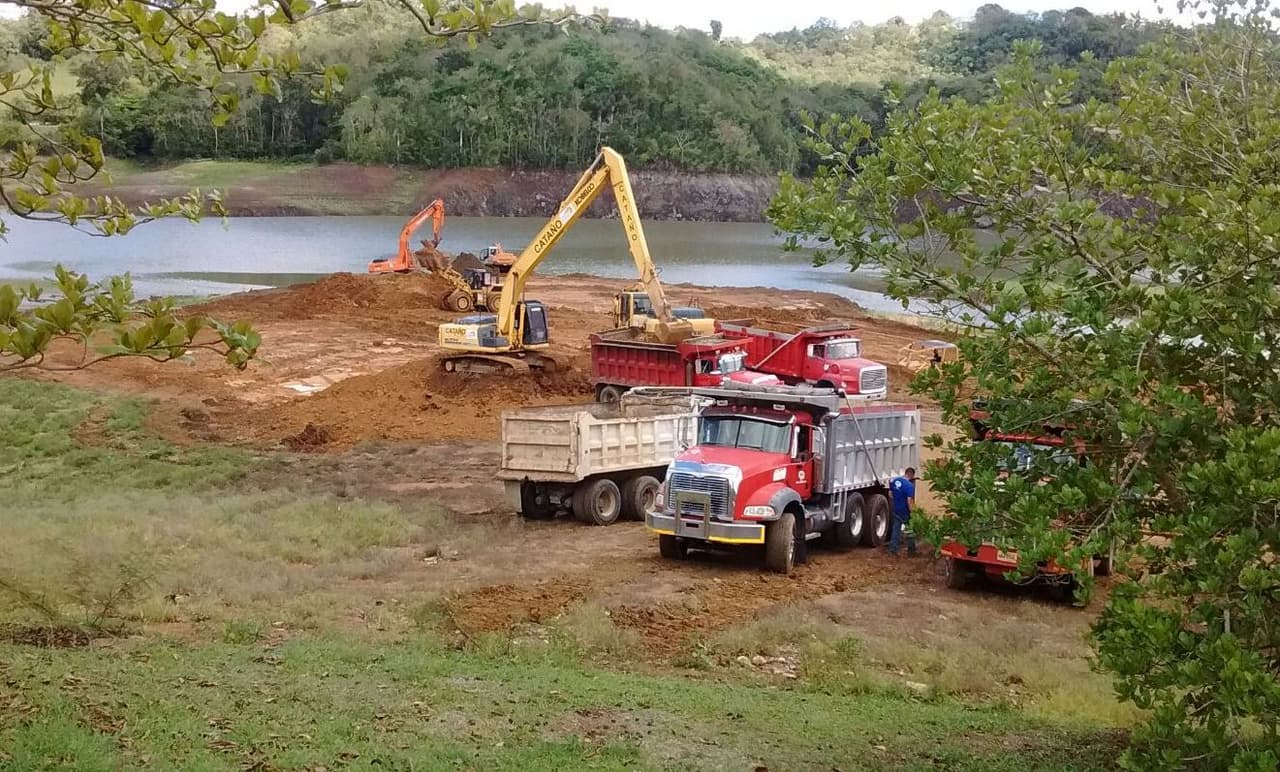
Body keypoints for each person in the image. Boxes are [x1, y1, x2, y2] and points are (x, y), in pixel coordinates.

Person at [887, 467, 918, 556]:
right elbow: (909, 501)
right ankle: (911, 551)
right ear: (911, 475)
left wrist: (897, 501)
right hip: (905, 511)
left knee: (896, 529)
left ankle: (892, 550)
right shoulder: (909, 486)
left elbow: (890, 494)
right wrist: (912, 512)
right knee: (910, 530)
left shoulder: (895, 481)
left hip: (896, 509)